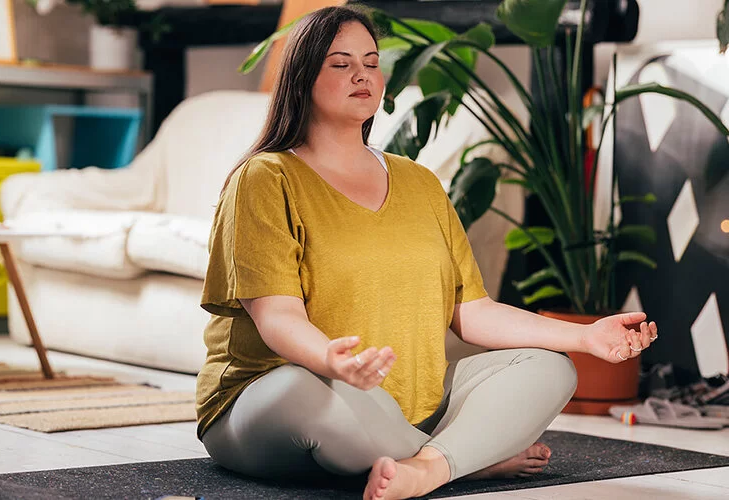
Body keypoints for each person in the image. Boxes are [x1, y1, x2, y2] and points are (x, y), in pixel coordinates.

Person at [195, 6, 659, 500]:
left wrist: (586, 336)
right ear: (303, 75)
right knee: (309, 393)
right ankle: (464, 459)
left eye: (372, 63)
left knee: (551, 367)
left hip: (406, 407)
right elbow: (277, 319)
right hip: (279, 394)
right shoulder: (266, 178)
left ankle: (425, 467)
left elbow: (473, 312)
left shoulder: (419, 182)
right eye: (340, 63)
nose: (362, 75)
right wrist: (330, 361)